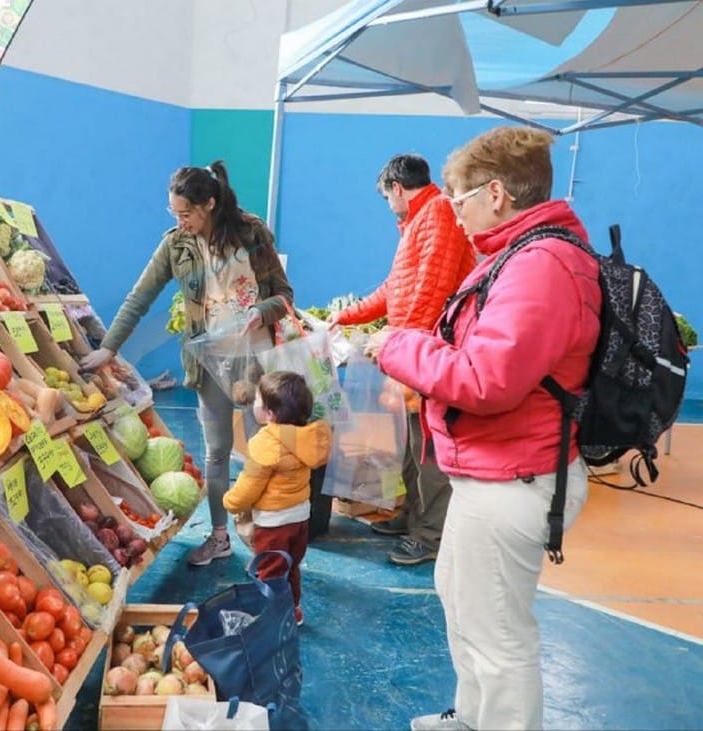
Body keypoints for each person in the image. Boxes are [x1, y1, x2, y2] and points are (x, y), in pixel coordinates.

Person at [367, 126, 601, 731]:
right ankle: (472, 719)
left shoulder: (541, 266)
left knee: (499, 638)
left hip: (513, 479)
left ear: (495, 194)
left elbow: (485, 381)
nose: (454, 211)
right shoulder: (522, 256)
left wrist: (397, 346)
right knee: (466, 606)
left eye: (458, 198)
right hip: (494, 472)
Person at [81, 161, 293, 566]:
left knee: (265, 454)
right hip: (207, 363)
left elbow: (284, 295)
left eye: (186, 213)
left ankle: (270, 541)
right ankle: (219, 537)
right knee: (216, 453)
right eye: (174, 213)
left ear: (209, 204)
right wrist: (108, 349)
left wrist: (259, 312)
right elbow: (138, 298)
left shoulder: (252, 234)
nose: (180, 222)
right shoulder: (176, 245)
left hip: (257, 364)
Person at [333, 153, 476, 565]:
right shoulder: (419, 221)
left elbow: (431, 290)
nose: (388, 206)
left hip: (428, 355)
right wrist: (345, 316)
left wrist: (397, 343)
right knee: (412, 442)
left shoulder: (437, 213)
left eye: (386, 197)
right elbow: (394, 290)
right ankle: (414, 515)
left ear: (397, 189)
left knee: (428, 444)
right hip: (416, 350)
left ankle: (429, 536)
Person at [222, 371, 331, 626]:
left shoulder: (265, 443)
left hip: (274, 524)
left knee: (270, 572)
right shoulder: (307, 436)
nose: (255, 404)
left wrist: (231, 501)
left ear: (270, 414)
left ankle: (273, 619)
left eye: (258, 401)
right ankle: (293, 610)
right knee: (291, 567)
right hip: (301, 517)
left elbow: (250, 485)